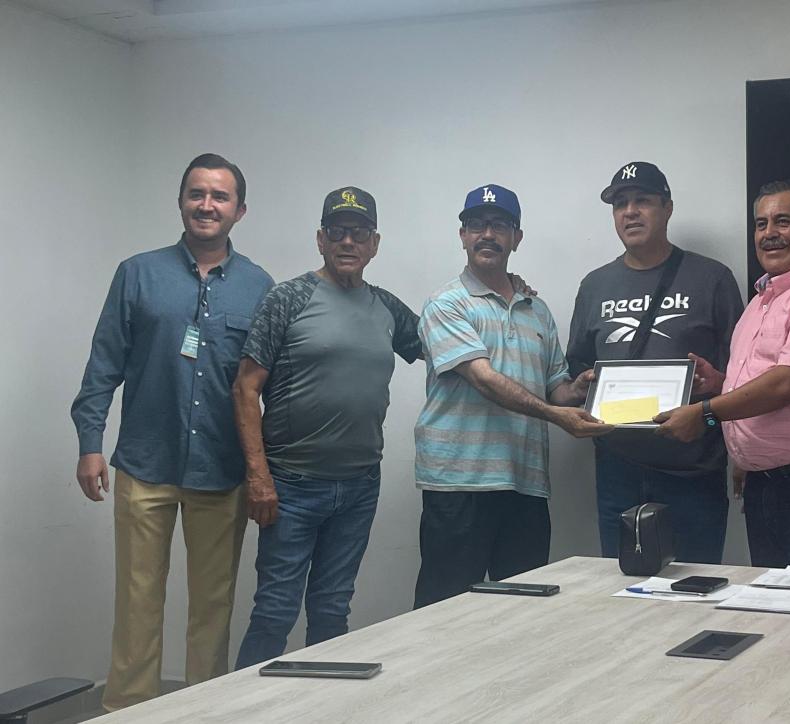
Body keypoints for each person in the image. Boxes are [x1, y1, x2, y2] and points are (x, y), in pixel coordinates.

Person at [70, 153, 273, 711]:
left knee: (213, 604)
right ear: (181, 201)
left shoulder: (260, 287)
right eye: (196, 194)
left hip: (221, 470)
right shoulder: (138, 273)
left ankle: (201, 712)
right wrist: (90, 444)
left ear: (240, 211)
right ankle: (127, 712)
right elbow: (104, 363)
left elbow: (267, 387)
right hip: (145, 463)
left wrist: (264, 471)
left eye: (220, 196)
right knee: (137, 601)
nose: (207, 205)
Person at [233, 187, 421, 667]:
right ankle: (244, 705)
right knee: (275, 612)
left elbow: (445, 344)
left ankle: (322, 704)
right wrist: (258, 477)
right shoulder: (288, 299)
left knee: (332, 611)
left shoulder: (387, 307)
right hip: (291, 485)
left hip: (359, 485)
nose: (347, 242)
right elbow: (245, 388)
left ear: (375, 243)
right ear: (321, 239)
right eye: (337, 231)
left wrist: (509, 286)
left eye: (359, 233)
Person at [654, 180, 790, 570]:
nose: (769, 233)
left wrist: (706, 412)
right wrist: (722, 383)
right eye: (761, 224)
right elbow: (770, 377)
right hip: (765, 484)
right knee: (772, 604)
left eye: (783, 221)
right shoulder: (762, 300)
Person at [413, 184, 612, 608]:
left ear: (516, 237)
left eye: (500, 225)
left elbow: (556, 388)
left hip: (525, 484)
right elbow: (483, 379)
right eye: (477, 225)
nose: (488, 234)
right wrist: (556, 416)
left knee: (522, 613)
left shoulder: (537, 311)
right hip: (459, 484)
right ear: (463, 235)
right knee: (443, 615)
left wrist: (576, 391)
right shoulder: (445, 304)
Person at [566, 161, 743, 563]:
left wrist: (719, 393)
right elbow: (576, 368)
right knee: (623, 586)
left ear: (667, 208)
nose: (630, 212)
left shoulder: (712, 278)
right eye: (620, 204)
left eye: (642, 200)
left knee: (694, 586)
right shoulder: (594, 285)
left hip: (694, 470)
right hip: (617, 470)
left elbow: (744, 376)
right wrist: (579, 386)